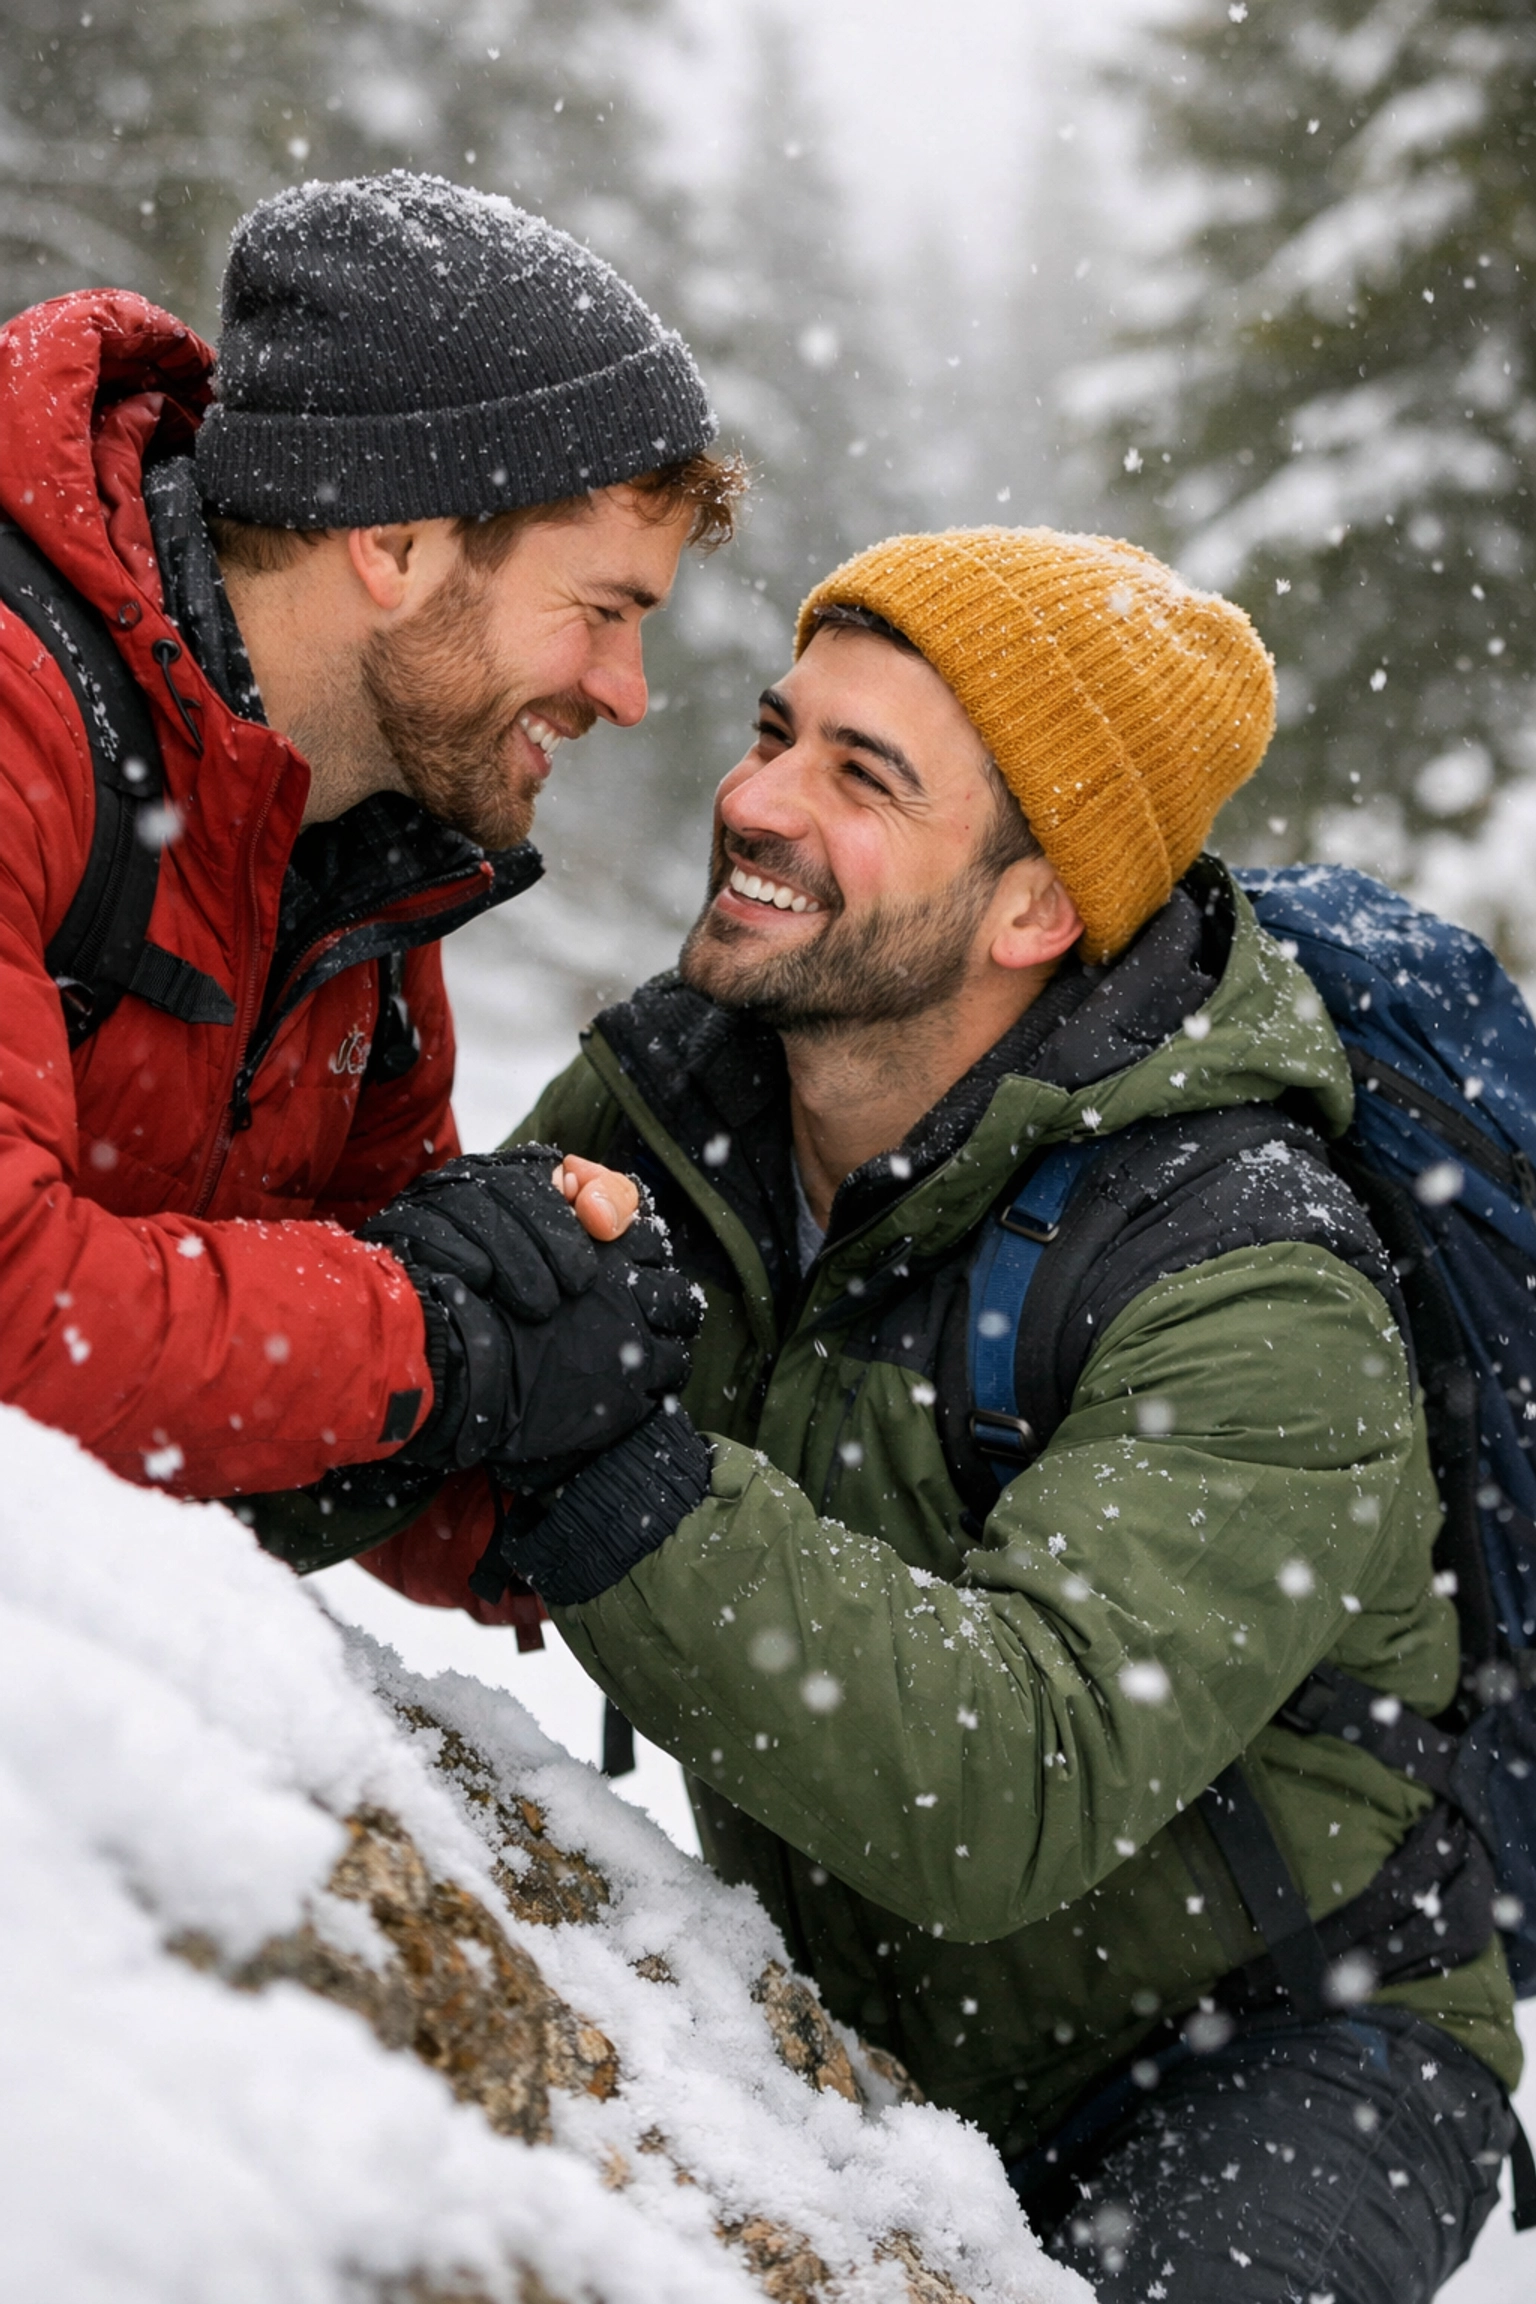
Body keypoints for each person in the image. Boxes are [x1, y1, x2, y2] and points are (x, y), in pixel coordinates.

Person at [343, 525, 1523, 2299]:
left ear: (1038, 908)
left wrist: (609, 1468)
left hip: (1281, 2051)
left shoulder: (1254, 1276)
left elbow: (1016, 1783)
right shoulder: (686, 1108)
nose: (761, 799)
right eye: (774, 730)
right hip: (871, 2024)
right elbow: (366, 1430)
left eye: (861, 775)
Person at [0, 171, 742, 1580]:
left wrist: (572, 1378)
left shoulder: (358, 845)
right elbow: (17, 1319)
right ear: (394, 545)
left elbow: (346, 1366)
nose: (629, 692)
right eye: (600, 612)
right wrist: (438, 1334)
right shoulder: (24, 722)